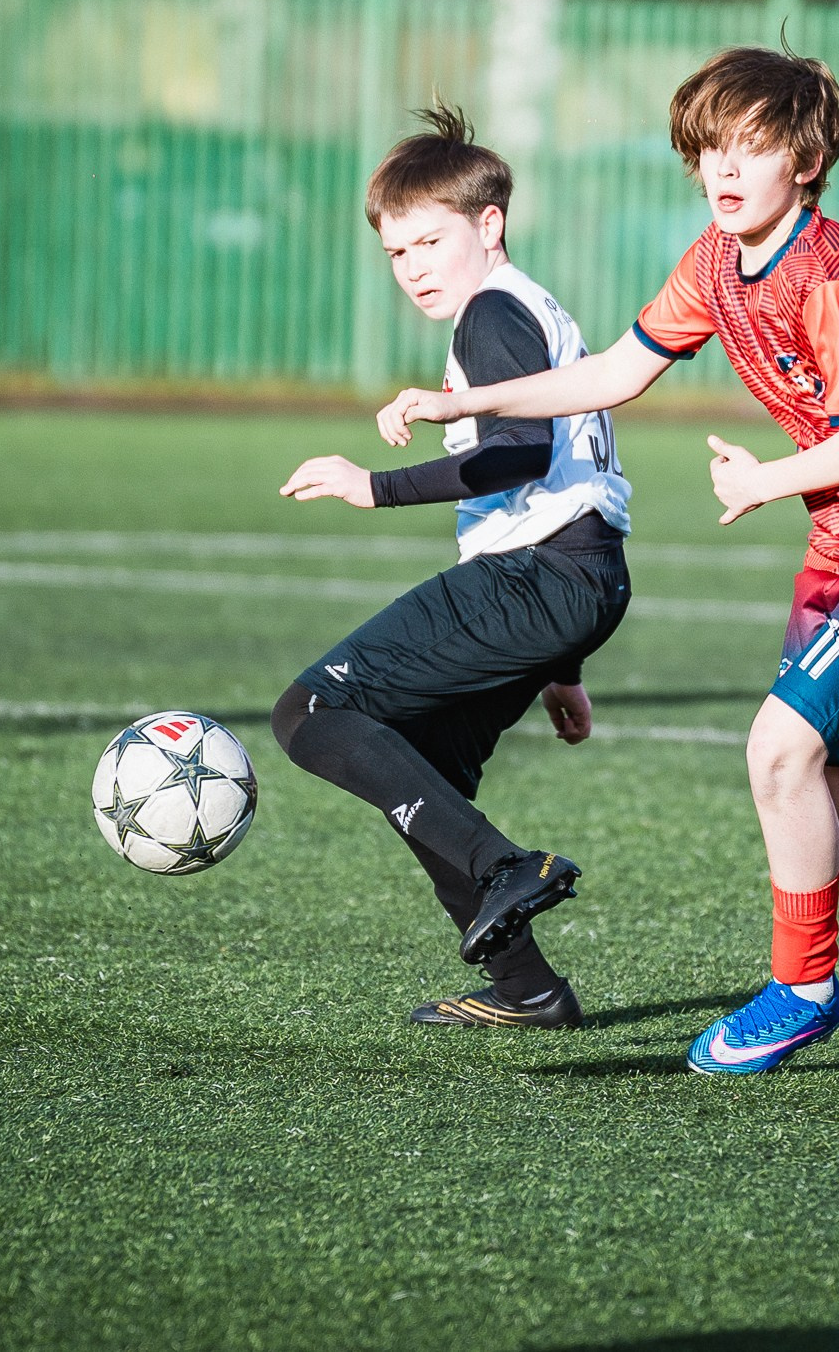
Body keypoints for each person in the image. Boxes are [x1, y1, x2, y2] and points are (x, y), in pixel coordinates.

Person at [377, 48, 839, 1072]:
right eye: (710, 148)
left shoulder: (830, 272)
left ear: (806, 158)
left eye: (751, 147)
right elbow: (612, 373)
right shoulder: (715, 261)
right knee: (819, 783)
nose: (726, 169)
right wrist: (466, 401)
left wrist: (763, 481)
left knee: (775, 752)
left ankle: (802, 988)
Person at [274, 105, 632, 1029]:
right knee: (426, 774)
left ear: (490, 224)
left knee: (310, 713)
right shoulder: (526, 304)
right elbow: (562, 473)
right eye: (398, 253)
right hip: (576, 581)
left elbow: (516, 453)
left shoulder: (490, 315)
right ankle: (529, 990)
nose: (417, 267)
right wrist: (563, 667)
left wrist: (375, 485)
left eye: (432, 240)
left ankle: (506, 869)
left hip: (538, 579)